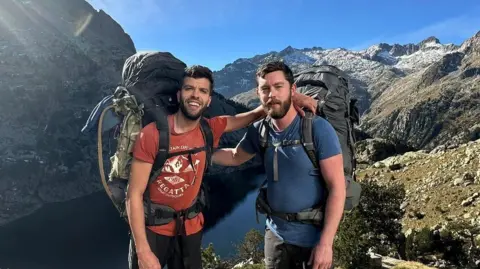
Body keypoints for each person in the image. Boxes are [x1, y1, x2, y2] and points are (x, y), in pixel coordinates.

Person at [126, 64, 316, 269]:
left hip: (190, 228)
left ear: (208, 100)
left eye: (202, 91)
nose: (195, 95)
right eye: (189, 89)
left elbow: (249, 117)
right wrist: (143, 250)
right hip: (153, 229)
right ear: (180, 94)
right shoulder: (153, 134)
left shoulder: (209, 128)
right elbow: (133, 194)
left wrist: (286, 99)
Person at [211, 61, 346, 269]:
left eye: (278, 87)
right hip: (274, 237)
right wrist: (201, 154)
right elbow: (236, 156)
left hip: (311, 240)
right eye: (265, 88)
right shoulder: (260, 130)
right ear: (258, 93)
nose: (271, 94)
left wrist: (326, 244)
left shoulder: (317, 129)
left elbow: (337, 187)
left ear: (292, 89)